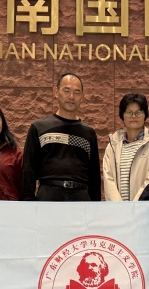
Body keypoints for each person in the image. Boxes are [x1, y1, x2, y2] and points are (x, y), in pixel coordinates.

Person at [21, 73, 101, 201]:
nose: (71, 97)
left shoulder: (89, 133)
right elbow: (28, 170)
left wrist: (95, 207)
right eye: (66, 91)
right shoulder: (39, 127)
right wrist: (28, 203)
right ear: (56, 92)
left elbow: (94, 177)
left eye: (76, 92)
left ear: (82, 96)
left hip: (80, 199)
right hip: (48, 196)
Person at [102, 93, 149, 201]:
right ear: (122, 115)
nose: (133, 116)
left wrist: (136, 206)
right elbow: (109, 180)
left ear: (145, 115)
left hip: (144, 207)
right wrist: (119, 207)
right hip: (118, 210)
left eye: (138, 112)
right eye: (129, 112)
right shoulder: (113, 145)